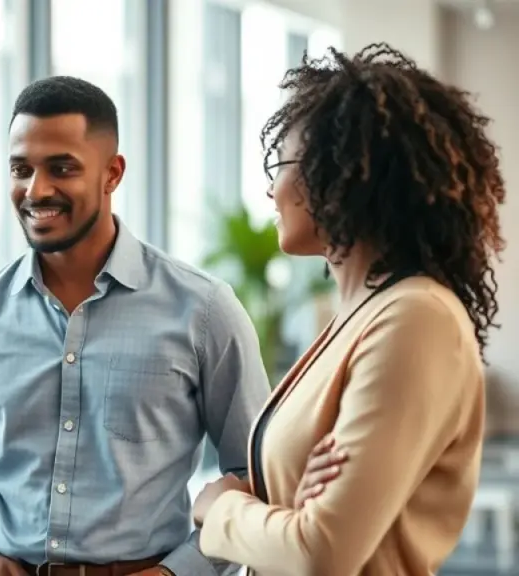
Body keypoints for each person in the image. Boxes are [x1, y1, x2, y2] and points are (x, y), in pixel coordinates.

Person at [0, 75, 272, 576]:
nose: (36, 190)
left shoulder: (204, 310)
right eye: (21, 169)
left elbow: (255, 477)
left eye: (61, 168)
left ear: (112, 173)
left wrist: (180, 572)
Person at [191, 44, 505, 576]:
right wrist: (286, 511)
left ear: (339, 175)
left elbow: (320, 551)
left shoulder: (416, 320)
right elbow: (307, 528)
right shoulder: (360, 313)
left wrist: (218, 507)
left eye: (281, 164)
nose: (270, 188)